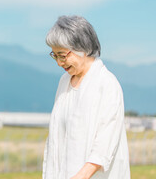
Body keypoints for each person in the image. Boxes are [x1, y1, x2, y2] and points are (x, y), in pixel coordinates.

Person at [42, 16, 130, 179]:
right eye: (54, 56)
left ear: (82, 48)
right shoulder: (64, 82)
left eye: (63, 55)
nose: (59, 63)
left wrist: (81, 176)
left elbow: (106, 141)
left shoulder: (106, 84)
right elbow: (55, 138)